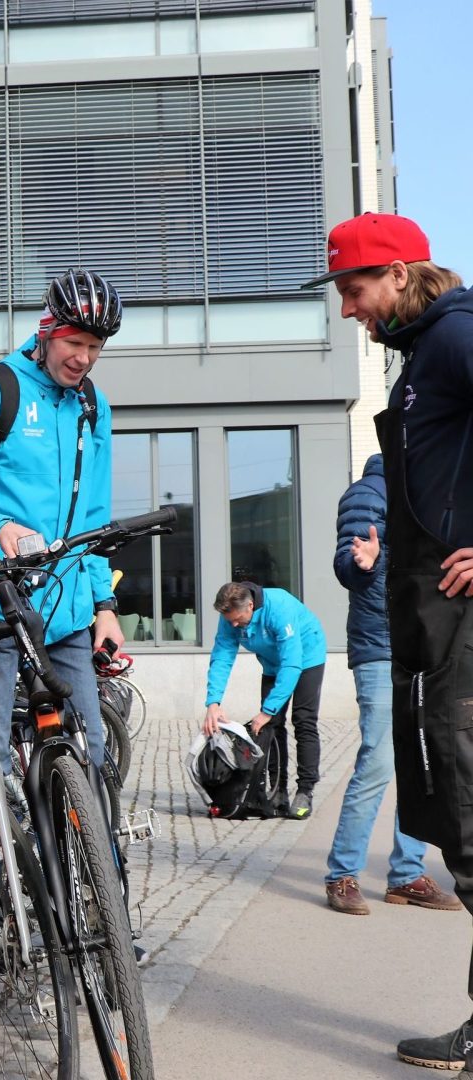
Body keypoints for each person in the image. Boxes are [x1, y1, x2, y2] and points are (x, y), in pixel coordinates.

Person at [303, 212, 473, 1073]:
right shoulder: (423, 356)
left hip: (462, 629)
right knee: (457, 824)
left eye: (353, 290)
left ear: (400, 274)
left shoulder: (456, 338)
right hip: (427, 627)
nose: (347, 309)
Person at [0, 268, 124, 780]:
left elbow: (93, 521)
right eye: (75, 341)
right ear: (47, 330)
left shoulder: (93, 405)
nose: (83, 357)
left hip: (65, 609)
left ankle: (92, 860)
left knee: (92, 747)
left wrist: (104, 607)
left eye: (95, 346)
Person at [326, 453, 460, 914]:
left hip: (421, 644)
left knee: (419, 764)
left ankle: (406, 875)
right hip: (381, 647)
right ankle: (341, 874)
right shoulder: (369, 492)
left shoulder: (423, 492)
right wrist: (367, 562)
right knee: (380, 760)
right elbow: (348, 565)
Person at [203, 580, 326, 820]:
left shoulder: (279, 607)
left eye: (238, 620)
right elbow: (222, 656)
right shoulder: (230, 614)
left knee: (303, 720)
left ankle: (305, 791)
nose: (235, 626)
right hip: (272, 663)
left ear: (250, 605)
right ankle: (277, 790)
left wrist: (268, 709)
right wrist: (213, 703)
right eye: (231, 621)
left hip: (307, 657)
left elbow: (292, 663)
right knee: (271, 726)